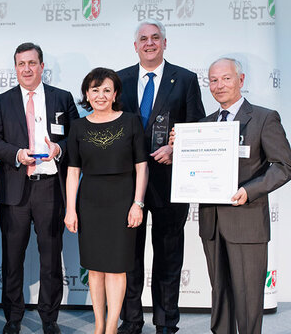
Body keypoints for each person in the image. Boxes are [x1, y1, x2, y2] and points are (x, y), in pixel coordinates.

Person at [175, 58, 291, 334]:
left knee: (249, 296)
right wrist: (179, 150)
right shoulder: (203, 124)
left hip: (247, 222)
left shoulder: (264, 117)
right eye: (213, 80)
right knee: (220, 293)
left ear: (241, 80)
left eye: (226, 78)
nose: (219, 85)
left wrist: (249, 191)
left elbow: (284, 166)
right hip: (211, 223)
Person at [117, 20, 205, 334]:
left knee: (168, 253)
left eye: (156, 38)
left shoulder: (185, 79)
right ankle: (131, 319)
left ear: (165, 43)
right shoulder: (120, 79)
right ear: (135, 45)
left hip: (170, 179)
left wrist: (175, 148)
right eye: (143, 38)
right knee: (130, 255)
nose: (150, 43)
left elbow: (197, 127)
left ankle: (167, 321)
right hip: (127, 182)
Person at [0, 42, 79, 334]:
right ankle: (13, 318)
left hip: (50, 188)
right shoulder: (2, 101)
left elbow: (76, 137)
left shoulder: (61, 98)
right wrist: (16, 154)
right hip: (15, 188)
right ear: (15, 68)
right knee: (12, 258)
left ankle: (49, 319)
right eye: (21, 64)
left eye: (32, 63)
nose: (26, 69)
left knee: (51, 257)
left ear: (42, 66)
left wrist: (59, 150)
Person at [65, 68, 148, 334]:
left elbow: (142, 167)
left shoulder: (131, 122)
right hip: (89, 203)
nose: (100, 95)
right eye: (95, 90)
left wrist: (138, 203)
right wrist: (70, 208)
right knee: (95, 269)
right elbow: (73, 171)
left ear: (115, 94)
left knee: (115, 268)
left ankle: (112, 326)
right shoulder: (77, 126)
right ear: (86, 94)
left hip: (122, 201)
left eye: (106, 90)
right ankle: (99, 324)